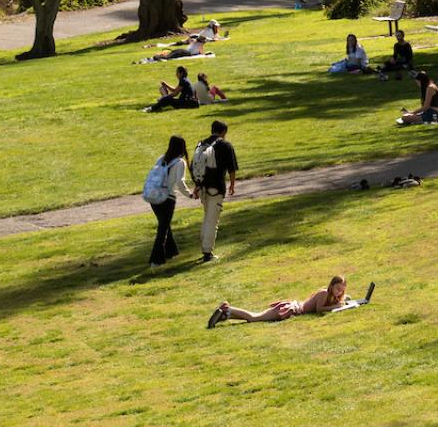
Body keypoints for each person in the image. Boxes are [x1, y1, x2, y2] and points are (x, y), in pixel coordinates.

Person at [208, 275, 350, 327]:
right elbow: (319, 310)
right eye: (337, 288)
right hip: (291, 309)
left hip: (292, 307)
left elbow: (339, 300)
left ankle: (224, 315)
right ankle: (228, 309)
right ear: (331, 285)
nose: (339, 292)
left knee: (254, 319)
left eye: (341, 290)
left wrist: (344, 300)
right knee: (254, 317)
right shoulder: (324, 293)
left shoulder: (332, 296)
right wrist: (336, 306)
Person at [193, 120, 238, 263]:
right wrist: (232, 185)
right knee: (212, 221)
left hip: (203, 187)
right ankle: (207, 252)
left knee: (207, 217)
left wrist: (197, 185)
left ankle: (204, 246)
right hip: (217, 188)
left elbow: (195, 166)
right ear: (223, 132)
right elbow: (232, 169)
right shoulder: (225, 145)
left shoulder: (201, 144)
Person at [147, 136, 194, 267]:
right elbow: (180, 182)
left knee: (164, 224)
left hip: (154, 197)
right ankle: (156, 260)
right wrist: (189, 195)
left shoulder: (161, 158)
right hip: (167, 198)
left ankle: (171, 252)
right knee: (163, 229)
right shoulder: (180, 162)